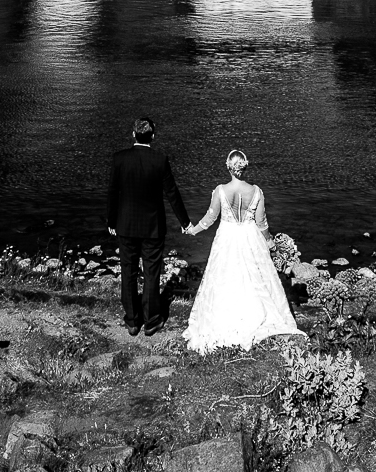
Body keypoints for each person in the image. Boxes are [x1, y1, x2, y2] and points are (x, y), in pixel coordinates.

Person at [180, 149, 304, 353]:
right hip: (250, 236)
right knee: (255, 276)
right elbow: (261, 222)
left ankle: (228, 316)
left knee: (225, 275)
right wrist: (271, 243)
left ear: (228, 167)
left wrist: (193, 230)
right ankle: (255, 314)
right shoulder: (256, 191)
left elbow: (210, 218)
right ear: (244, 167)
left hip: (227, 237)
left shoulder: (220, 190)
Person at [106, 117, 190, 335]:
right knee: (152, 272)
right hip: (152, 227)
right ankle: (152, 320)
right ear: (153, 136)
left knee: (128, 271)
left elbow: (112, 193)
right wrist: (185, 222)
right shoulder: (160, 159)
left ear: (133, 135)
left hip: (125, 225)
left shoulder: (120, 159)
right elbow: (172, 193)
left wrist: (111, 221)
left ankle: (133, 320)